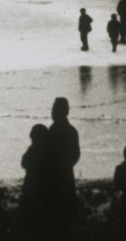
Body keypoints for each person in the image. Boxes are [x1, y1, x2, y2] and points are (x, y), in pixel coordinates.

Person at [46, 97, 80, 238]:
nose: (52, 112)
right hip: (64, 174)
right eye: (53, 109)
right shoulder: (69, 130)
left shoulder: (56, 130)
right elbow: (75, 154)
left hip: (59, 175)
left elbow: (74, 154)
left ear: (63, 112)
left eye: (54, 109)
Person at [17, 124, 51, 241]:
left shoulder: (34, 149)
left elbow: (24, 163)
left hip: (31, 192)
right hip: (44, 194)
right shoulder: (49, 150)